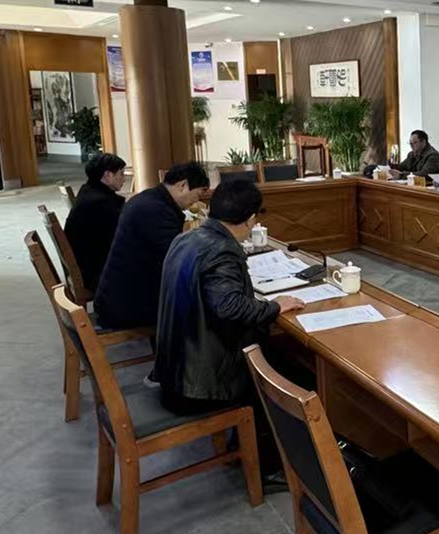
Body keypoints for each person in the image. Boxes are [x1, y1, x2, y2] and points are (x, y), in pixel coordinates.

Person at [155, 179, 305, 482]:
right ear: (250, 220)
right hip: (198, 385)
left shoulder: (187, 238)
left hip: (174, 367)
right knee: (284, 376)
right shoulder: (222, 249)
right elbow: (230, 307)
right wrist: (275, 306)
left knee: (279, 356)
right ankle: (267, 467)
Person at [95, 161, 209, 330]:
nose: (196, 201)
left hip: (119, 294)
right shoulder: (155, 210)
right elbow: (179, 260)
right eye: (198, 194)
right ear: (183, 185)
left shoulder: (150, 199)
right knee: (205, 306)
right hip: (128, 305)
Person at [64, 152, 127, 293]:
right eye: (121, 173)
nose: (124, 178)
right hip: (96, 274)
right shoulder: (99, 203)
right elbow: (122, 232)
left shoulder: (88, 191)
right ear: (108, 175)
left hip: (87, 265)